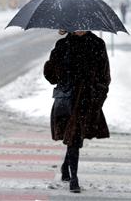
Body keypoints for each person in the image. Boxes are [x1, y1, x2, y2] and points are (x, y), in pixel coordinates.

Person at [44, 30, 110, 193]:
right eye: (76, 25)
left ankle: (66, 167)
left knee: (75, 137)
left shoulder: (97, 44)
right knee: (73, 137)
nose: (80, 28)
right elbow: (51, 76)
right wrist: (52, 67)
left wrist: (99, 96)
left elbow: (105, 75)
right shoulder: (62, 45)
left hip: (88, 100)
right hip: (67, 99)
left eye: (83, 25)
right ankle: (74, 178)